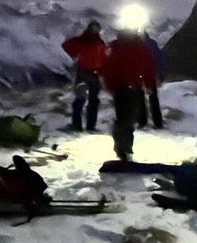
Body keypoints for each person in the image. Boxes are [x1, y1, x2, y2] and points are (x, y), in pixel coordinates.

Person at [101, 28, 158, 161]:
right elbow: (148, 68)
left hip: (121, 88)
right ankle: (125, 149)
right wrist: (149, 84)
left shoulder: (115, 48)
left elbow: (107, 69)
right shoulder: (140, 49)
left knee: (124, 119)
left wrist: (111, 87)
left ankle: (122, 148)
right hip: (132, 87)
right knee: (129, 119)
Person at [61, 21, 107, 132]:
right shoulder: (86, 41)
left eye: (97, 28)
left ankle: (87, 126)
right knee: (83, 99)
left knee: (91, 101)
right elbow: (66, 46)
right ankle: (80, 125)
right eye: (94, 28)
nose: (95, 30)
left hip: (91, 74)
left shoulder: (97, 42)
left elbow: (103, 58)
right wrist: (74, 55)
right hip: (85, 73)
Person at [136, 30, 166, 129]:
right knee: (152, 99)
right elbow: (160, 58)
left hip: (144, 74)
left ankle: (142, 122)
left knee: (141, 98)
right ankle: (157, 122)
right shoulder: (152, 44)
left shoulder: (136, 45)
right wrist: (159, 73)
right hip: (149, 75)